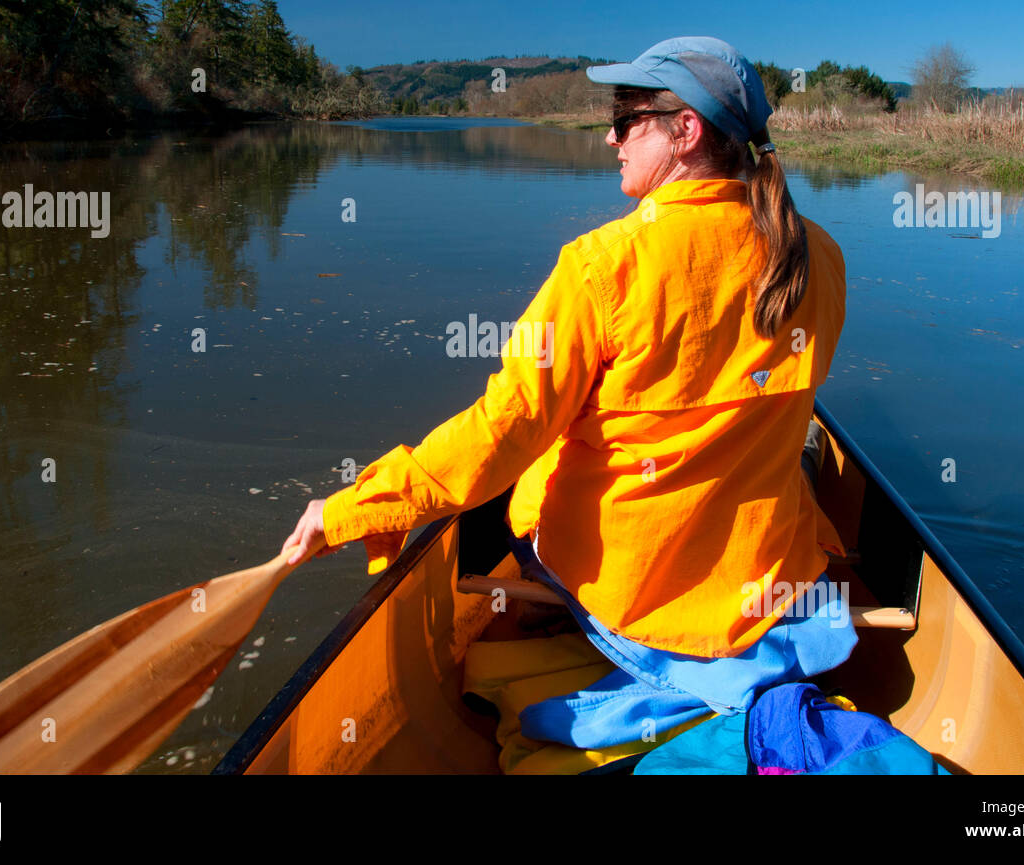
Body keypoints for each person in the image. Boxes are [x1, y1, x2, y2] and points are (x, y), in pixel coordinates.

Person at [279, 36, 855, 743]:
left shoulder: (602, 266)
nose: (610, 135)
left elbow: (501, 431)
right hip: (770, 585)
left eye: (626, 115)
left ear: (686, 130)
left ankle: (606, 638)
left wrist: (356, 505)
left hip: (636, 596)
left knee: (532, 475)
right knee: (796, 444)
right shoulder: (820, 254)